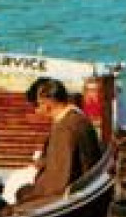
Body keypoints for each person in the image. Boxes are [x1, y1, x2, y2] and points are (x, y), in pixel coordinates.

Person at [16, 77, 103, 207]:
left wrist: (31, 194)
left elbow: (57, 184)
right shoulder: (79, 118)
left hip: (69, 199)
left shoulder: (63, 129)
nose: (35, 111)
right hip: (86, 187)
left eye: (36, 105)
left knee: (14, 201)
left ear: (46, 103)